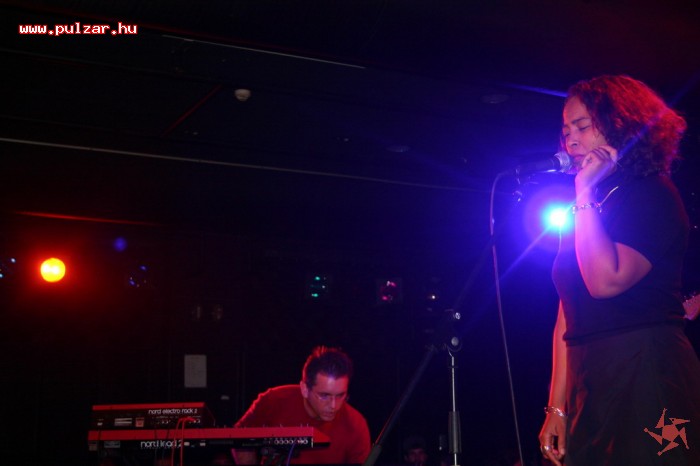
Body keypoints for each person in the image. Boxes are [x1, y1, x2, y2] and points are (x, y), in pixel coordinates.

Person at [537, 74, 700, 465]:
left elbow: (605, 281)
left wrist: (583, 191)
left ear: (620, 126)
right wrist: (556, 407)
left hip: (646, 370)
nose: (571, 141)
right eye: (566, 131)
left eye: (582, 127)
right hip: (590, 378)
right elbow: (567, 315)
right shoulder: (586, 210)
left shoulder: (652, 193)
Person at [232, 346, 371, 464]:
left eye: (340, 395)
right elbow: (239, 437)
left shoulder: (356, 424)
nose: (334, 405)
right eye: (324, 396)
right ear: (304, 389)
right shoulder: (274, 400)